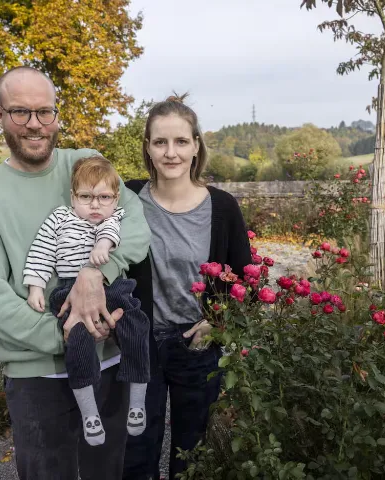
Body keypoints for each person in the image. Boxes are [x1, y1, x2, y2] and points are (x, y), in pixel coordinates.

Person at [0, 66, 150, 480]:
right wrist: (67, 333)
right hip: (37, 375)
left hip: (109, 361)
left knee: (106, 472)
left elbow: (134, 225)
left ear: (57, 115)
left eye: (44, 112)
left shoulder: (84, 166)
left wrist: (99, 272)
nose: (34, 125)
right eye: (20, 112)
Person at [122, 94, 252, 480]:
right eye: (160, 142)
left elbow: (245, 278)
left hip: (196, 344)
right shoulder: (128, 199)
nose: (171, 152)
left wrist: (218, 321)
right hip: (139, 346)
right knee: (137, 448)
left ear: (196, 146)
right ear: (147, 147)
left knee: (191, 454)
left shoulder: (222, 207)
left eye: (181, 141)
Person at [22, 155, 150, 446]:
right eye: (86, 197)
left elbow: (110, 233)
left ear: (115, 199)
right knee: (77, 339)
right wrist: (35, 287)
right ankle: (90, 414)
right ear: (73, 196)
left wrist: (103, 246)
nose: (95, 205)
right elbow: (41, 252)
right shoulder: (59, 219)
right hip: (67, 289)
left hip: (112, 286)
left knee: (136, 324)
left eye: (104, 197)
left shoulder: (112, 219)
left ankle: (138, 401)